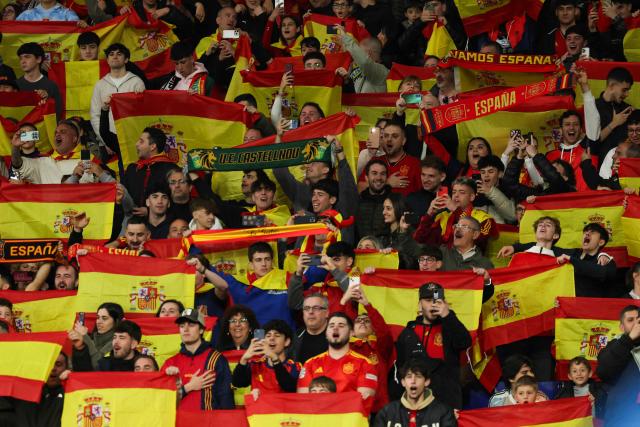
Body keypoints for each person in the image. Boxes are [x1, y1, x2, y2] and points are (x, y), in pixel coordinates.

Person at [393, 282, 471, 409]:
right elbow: (401, 368)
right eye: (428, 300)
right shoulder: (408, 333)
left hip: (447, 401)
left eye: (437, 300)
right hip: (415, 402)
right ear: (420, 304)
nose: (433, 305)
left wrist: (447, 315)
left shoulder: (450, 326)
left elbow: (464, 342)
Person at [190, 241, 295, 330]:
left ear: (272, 261)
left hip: (286, 338)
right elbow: (212, 271)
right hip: (255, 340)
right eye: (258, 260)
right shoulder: (239, 282)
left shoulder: (286, 277)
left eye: (267, 259)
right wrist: (191, 244)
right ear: (250, 264)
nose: (264, 264)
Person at [297, 312, 378, 403]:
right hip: (318, 415)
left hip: (348, 416)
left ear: (351, 333)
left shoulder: (365, 363)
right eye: (331, 326)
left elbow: (364, 401)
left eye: (341, 325)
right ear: (326, 333)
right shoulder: (310, 364)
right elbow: (303, 399)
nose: (335, 328)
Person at [163, 308, 234, 410]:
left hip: (208, 423)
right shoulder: (170, 363)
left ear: (201, 330)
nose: (186, 329)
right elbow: (161, 401)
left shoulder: (216, 359)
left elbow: (226, 398)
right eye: (182, 326)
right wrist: (189, 387)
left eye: (191, 325)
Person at [414, 176, 497, 253]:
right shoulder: (443, 216)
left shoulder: (485, 218)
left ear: (472, 197)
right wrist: (429, 215)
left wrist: (456, 211)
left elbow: (478, 242)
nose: (456, 196)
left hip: (469, 264)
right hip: (442, 262)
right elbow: (419, 239)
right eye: (454, 192)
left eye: (462, 192)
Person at [373, 358, 457, 427]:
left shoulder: (444, 413)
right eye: (409, 377)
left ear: (426, 382)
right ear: (403, 382)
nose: (413, 381)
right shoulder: (387, 412)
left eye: (418, 376)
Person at [90, 43, 145, 143]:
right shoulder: (100, 85)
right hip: (108, 141)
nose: (115, 56)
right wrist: (105, 141)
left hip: (132, 140)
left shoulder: (137, 82)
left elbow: (142, 115)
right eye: (111, 54)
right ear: (107, 60)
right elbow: (95, 116)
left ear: (126, 59)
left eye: (119, 54)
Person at [596, 305, 640, 426]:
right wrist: (629, 339)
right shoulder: (613, 346)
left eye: (639, 319)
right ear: (621, 327)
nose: (636, 324)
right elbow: (603, 372)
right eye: (630, 320)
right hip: (622, 416)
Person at [232, 319, 300, 394]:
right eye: (268, 335)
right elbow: (237, 383)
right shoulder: (256, 365)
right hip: (259, 406)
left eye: (277, 335)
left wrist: (274, 358)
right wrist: (244, 359)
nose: (271, 338)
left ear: (286, 342)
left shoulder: (294, 366)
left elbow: (290, 387)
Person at [358, 121, 422, 197]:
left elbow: (423, 195)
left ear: (403, 141)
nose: (389, 139)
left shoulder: (415, 164)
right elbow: (360, 188)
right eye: (386, 136)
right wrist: (387, 183)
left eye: (394, 136)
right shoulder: (374, 160)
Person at [556, 223, 617, 298]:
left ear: (601, 242)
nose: (587, 234)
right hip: (568, 305)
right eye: (585, 232)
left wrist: (571, 260)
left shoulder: (606, 261)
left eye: (593, 232)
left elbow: (602, 272)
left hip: (591, 307)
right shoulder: (573, 253)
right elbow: (548, 249)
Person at [11, 352, 68, 427]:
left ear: (66, 368)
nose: (53, 368)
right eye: (49, 364)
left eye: (58, 364)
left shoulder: (72, 395)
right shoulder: (26, 396)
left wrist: (80, 350)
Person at [69, 302, 124, 371]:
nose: (99, 322)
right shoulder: (89, 337)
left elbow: (98, 366)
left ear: (116, 321)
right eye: (98, 317)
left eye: (104, 318)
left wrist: (85, 337)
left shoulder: (117, 343)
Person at [73, 320, 142, 371]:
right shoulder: (103, 364)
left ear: (133, 344)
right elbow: (83, 376)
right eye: (114, 337)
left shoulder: (145, 365)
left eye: (121, 338)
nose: (116, 342)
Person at [596, 67, 634, 158]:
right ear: (612, 86)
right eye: (624, 90)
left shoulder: (628, 109)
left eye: (628, 90)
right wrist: (614, 123)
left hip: (623, 164)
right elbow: (592, 142)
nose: (627, 94)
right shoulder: (593, 107)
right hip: (600, 164)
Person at [379, 192, 421, 269]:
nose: (383, 212)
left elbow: (416, 257)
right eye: (383, 208)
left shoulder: (412, 233)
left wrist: (402, 232)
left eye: (388, 208)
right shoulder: (382, 234)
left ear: (399, 208)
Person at [356, 159, 391, 240]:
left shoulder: (396, 201)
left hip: (386, 251)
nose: (379, 177)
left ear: (387, 178)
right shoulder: (357, 202)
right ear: (366, 178)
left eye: (382, 174)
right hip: (361, 250)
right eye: (374, 173)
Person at [290, 294, 329, 364]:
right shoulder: (295, 337)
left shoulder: (335, 337)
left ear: (326, 313)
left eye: (316, 308)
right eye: (307, 308)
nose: (310, 312)